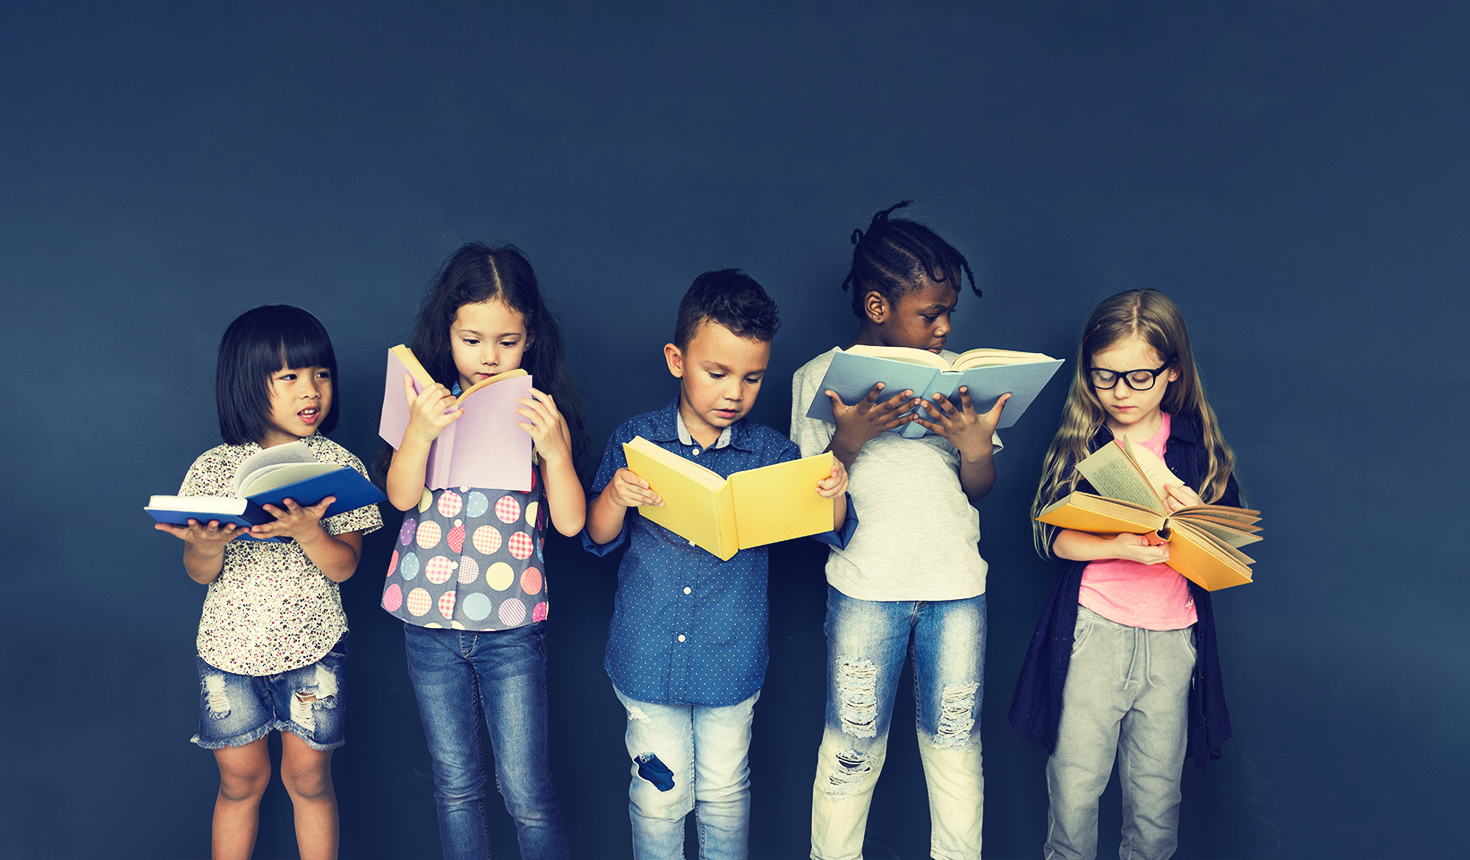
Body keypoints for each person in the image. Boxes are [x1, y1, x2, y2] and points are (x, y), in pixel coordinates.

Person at [584, 269, 855, 860]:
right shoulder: (639, 438)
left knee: (726, 790)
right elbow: (596, 536)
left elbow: (829, 531)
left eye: (753, 378)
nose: (735, 392)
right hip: (647, 655)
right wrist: (615, 497)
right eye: (718, 373)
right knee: (659, 791)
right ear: (676, 359)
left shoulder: (773, 454)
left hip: (730, 658)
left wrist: (834, 487)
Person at [791, 201, 1006, 860]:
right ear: (879, 307)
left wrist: (975, 448)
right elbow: (808, 509)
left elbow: (980, 491)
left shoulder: (958, 381)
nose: (944, 326)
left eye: (949, 314)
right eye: (929, 314)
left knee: (956, 751)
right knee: (851, 751)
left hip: (956, 592)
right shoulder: (818, 383)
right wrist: (847, 441)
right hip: (866, 592)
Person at [1009, 289, 1241, 860]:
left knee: (1157, 800)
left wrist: (1189, 517)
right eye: (1103, 377)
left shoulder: (1196, 448)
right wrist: (1118, 546)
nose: (1119, 393)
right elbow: (1053, 538)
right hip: (1093, 633)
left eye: (1138, 378)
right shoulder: (1083, 442)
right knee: (1074, 787)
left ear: (1172, 375)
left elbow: (1227, 556)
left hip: (1172, 639)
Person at [379, 243, 586, 860]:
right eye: (472, 340)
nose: (489, 357)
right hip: (429, 623)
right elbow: (399, 496)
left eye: (508, 341)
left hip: (510, 627)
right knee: (456, 786)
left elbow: (573, 524)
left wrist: (556, 452)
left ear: (530, 338)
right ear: (447, 331)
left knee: (525, 789)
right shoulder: (428, 404)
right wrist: (418, 433)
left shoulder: (539, 413)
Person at [156, 304, 383, 860]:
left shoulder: (340, 467)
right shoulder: (214, 467)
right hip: (228, 651)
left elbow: (346, 566)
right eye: (289, 377)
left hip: (313, 648)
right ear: (246, 383)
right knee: (238, 782)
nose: (311, 390)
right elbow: (198, 571)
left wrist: (309, 531)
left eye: (320, 374)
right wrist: (206, 546)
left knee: (309, 780)